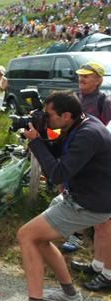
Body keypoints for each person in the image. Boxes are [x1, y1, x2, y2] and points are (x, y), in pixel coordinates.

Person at [17, 91, 111, 301]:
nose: (46, 118)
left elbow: (57, 173)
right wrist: (40, 133)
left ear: (66, 115)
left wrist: (35, 143)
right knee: (39, 239)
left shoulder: (88, 134)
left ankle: (35, 298)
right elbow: (57, 151)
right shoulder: (80, 124)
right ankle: (69, 294)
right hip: (83, 197)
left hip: (89, 204)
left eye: (48, 115)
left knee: (26, 235)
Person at [62, 62, 111, 292]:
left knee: (107, 224)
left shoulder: (106, 102)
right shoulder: (78, 100)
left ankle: (108, 274)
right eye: (80, 76)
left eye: (87, 76)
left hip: (102, 169)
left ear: (98, 80)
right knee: (102, 224)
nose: (81, 80)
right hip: (88, 168)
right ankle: (98, 265)